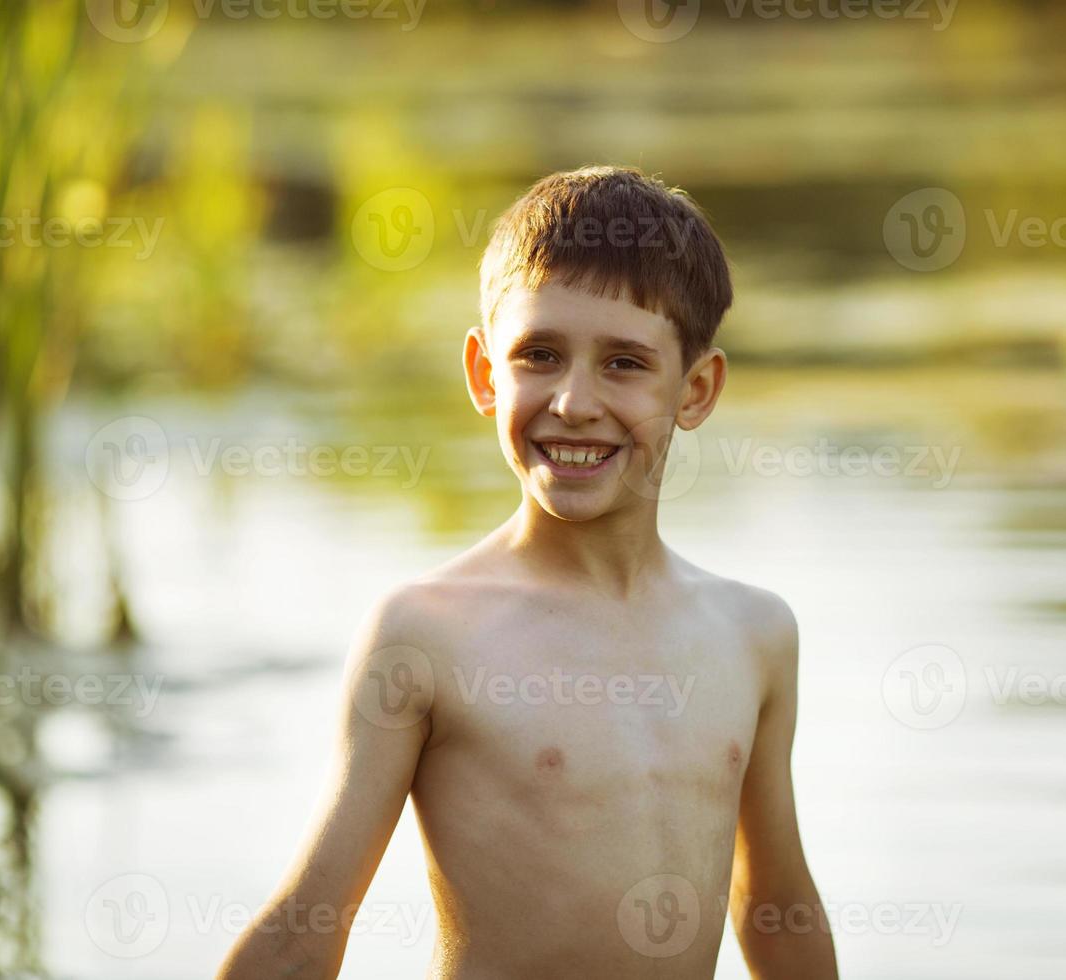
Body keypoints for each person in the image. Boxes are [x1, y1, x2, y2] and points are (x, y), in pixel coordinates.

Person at [216, 165, 838, 979]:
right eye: (539, 355)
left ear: (696, 389)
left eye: (624, 364)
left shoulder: (753, 635)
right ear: (484, 375)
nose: (575, 402)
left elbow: (776, 908)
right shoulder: (429, 632)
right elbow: (309, 926)